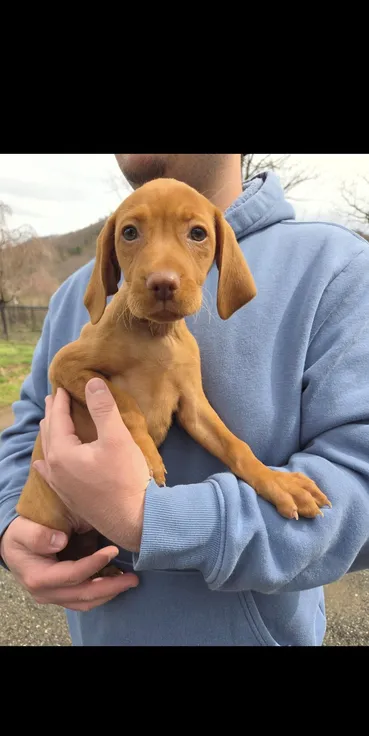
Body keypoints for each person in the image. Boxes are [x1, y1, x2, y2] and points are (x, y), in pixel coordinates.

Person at [1, 153, 369, 647]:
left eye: (196, 234)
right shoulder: (77, 293)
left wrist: (153, 517)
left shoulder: (339, 268)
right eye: (131, 234)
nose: (160, 272)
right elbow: (27, 426)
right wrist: (11, 527)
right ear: (113, 250)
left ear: (221, 254)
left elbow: (353, 491)